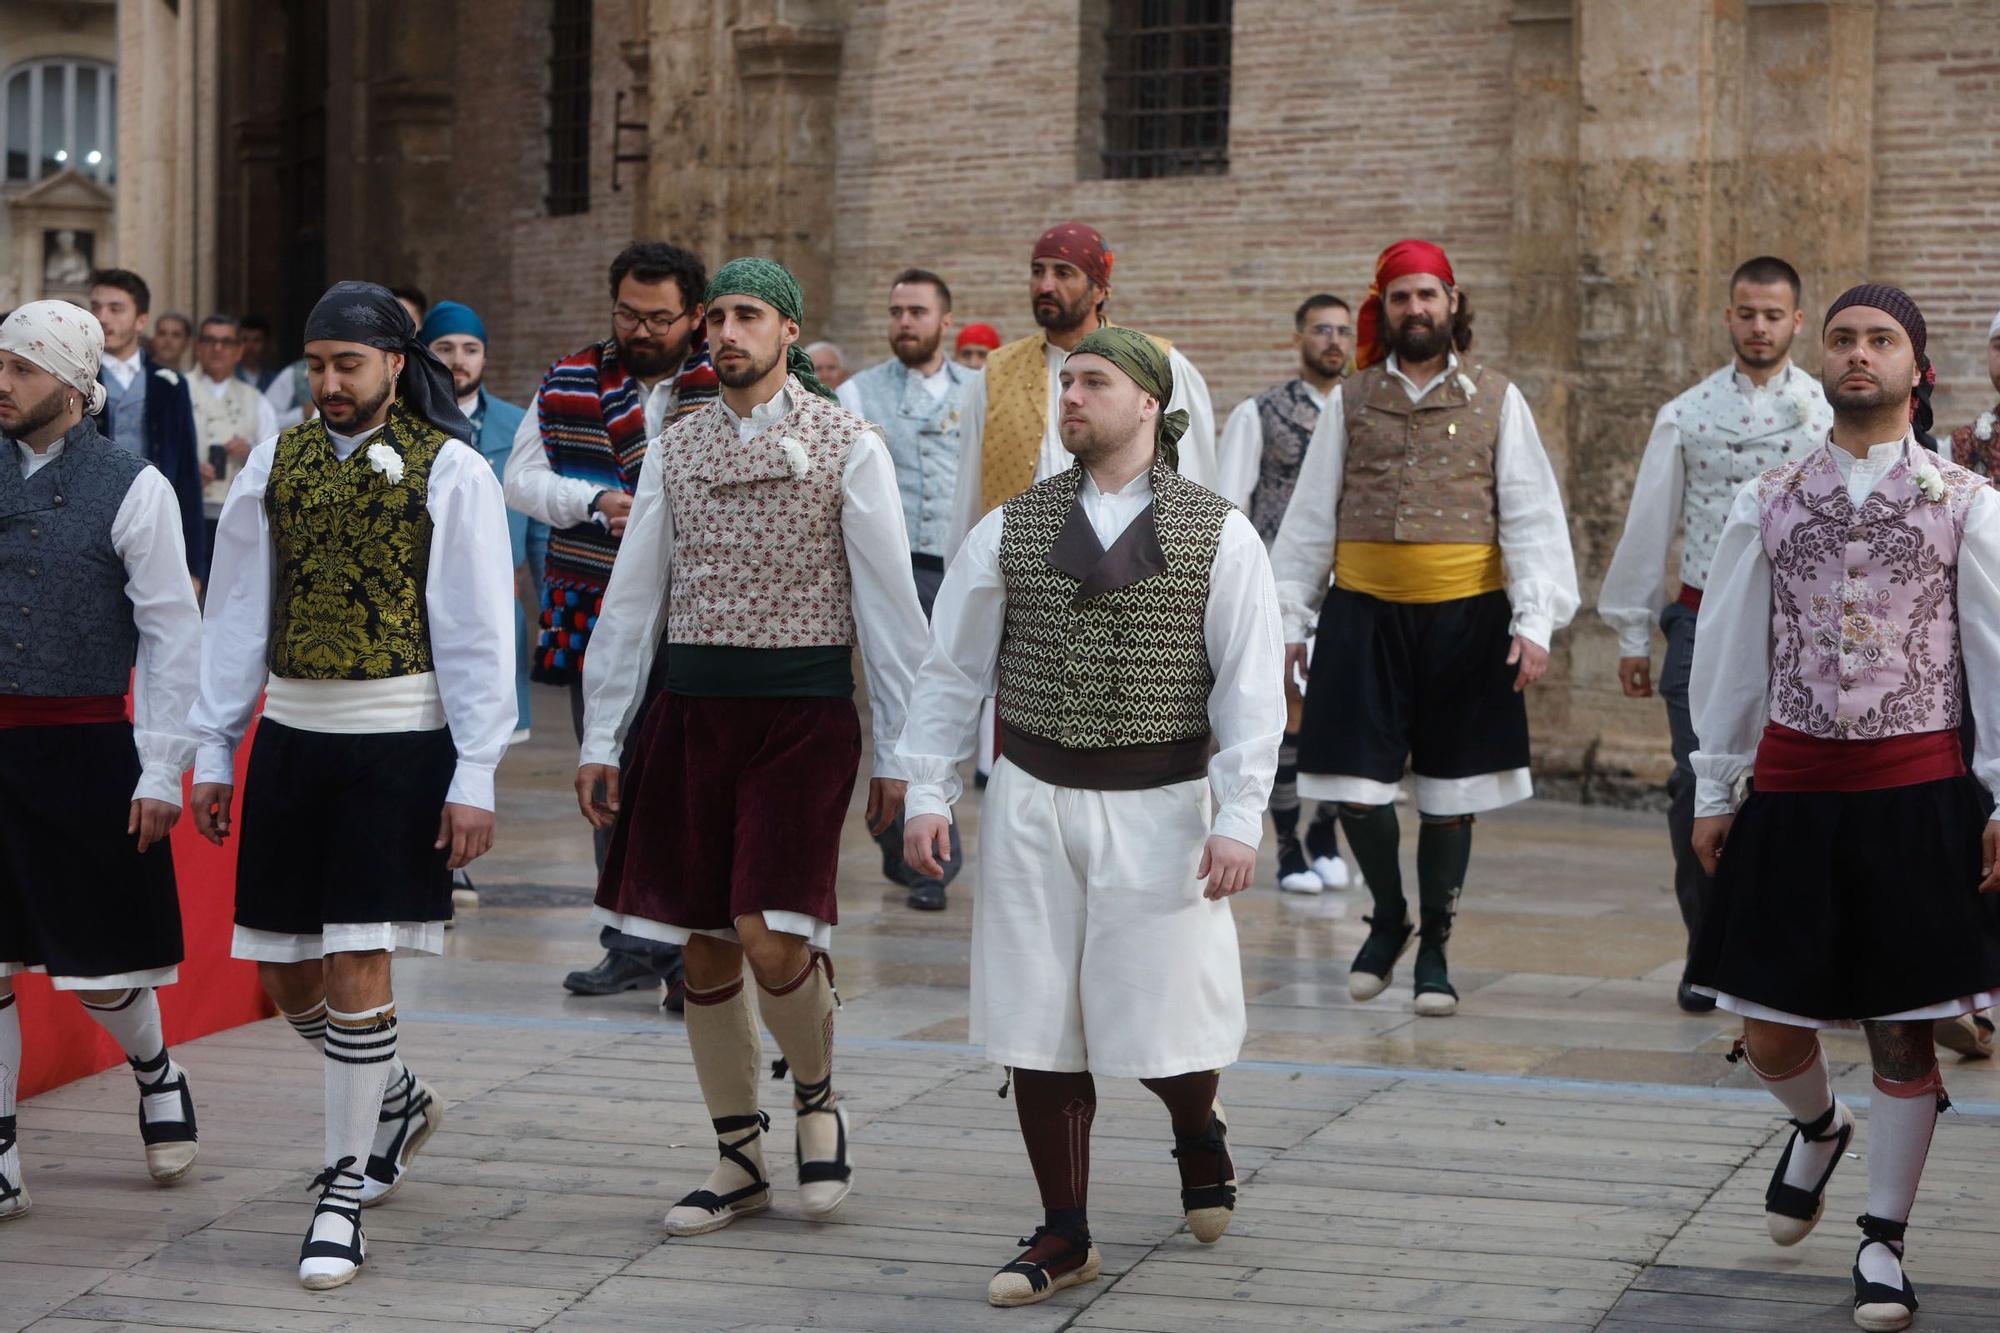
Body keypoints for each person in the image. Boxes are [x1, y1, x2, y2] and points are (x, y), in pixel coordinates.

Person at [900, 326, 1282, 1306]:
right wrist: (928, 789)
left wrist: (1237, 816)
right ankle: (1063, 1230)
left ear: (1147, 405)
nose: (1068, 395)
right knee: (1037, 1020)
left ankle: (1197, 1129)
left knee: (1162, 1016)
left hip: (1161, 806)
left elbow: (1248, 692)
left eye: (1092, 381)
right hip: (1030, 797)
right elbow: (950, 672)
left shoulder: (1216, 532)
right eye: (1063, 381)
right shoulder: (1009, 527)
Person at [578, 257, 929, 1238]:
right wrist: (604, 732)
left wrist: (904, 754)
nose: (727, 332)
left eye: (749, 316)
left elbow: (890, 610)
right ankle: (738, 1158)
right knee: (701, 946)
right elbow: (634, 599)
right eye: (718, 317)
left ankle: (816, 1096)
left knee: (770, 930)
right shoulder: (675, 446)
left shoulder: (846, 441)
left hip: (802, 712)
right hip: (690, 712)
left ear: (786, 330)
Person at [1685, 284, 2000, 1333]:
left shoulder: (1964, 501)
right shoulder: (1766, 496)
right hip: (1791, 787)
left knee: (1903, 1031)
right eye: (1843, 339)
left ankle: (1880, 1239)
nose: (1857, 353)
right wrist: (1714, 778)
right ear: (1823, 362)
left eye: (1879, 339)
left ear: (1916, 366)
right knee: (1765, 1026)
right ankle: (1816, 1126)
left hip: (1916, 795)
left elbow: (1992, 658)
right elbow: (1730, 646)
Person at [188, 281, 514, 1290]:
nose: (330, 383)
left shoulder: (450, 468)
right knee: (286, 973)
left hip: (398, 740)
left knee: (356, 960)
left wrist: (477, 772)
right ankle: (397, 1098)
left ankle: (340, 1188)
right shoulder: (273, 462)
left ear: (392, 365)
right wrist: (211, 745)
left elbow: (474, 627)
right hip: (290, 734)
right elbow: (240, 608)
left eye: (350, 365)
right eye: (318, 364)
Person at [1270, 239, 1578, 1017]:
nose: (1416, 309)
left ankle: (1434, 944)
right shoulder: (1349, 400)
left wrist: (1534, 619)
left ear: (1452, 302)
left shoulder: (1497, 398)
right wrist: (1288, 620)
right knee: (1350, 787)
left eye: (1428, 295)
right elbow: (1309, 519)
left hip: (1467, 619)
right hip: (1361, 614)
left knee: (1452, 793)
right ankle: (1390, 914)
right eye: (1402, 297)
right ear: (1387, 306)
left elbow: (1534, 517)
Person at [0, 301, 204, 1221]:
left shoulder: (135, 486)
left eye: (22, 369)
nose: (2, 385)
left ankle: (156, 1069)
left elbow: (171, 635)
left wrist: (161, 768)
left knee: (100, 965)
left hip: (85, 744)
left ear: (75, 388)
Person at [1598, 256, 1831, 1012]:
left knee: (1799, 788)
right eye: (1746, 313)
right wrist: (1635, 631)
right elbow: (1649, 523)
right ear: (1728, 317)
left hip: (1805, 626)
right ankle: (1708, 948)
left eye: (1773, 315)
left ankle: (1793, 947)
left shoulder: (1828, 413)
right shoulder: (1685, 412)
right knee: (1696, 782)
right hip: (1700, 620)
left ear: (1796, 321)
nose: (1758, 327)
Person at [504, 242, 716, 1002]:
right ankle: (628, 939)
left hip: (702, 608)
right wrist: (592, 502)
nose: (642, 330)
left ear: (696, 315)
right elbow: (520, 477)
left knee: (687, 783)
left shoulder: (726, 380)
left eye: (661, 318)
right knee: (610, 771)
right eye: (628, 313)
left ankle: (690, 953)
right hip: (595, 601)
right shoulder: (569, 378)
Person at [946, 221, 1217, 556]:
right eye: (1037, 272)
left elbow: (1192, 476)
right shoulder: (997, 372)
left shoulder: (1157, 362)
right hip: (1023, 571)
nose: (1045, 285)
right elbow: (970, 493)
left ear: (1100, 290)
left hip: (1136, 565)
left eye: (1063, 273)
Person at [836, 268, 978, 910]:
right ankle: (919, 853)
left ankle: (928, 848)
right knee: (906, 700)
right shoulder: (858, 393)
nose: (904, 323)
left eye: (917, 311)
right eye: (896, 311)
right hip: (892, 570)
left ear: (945, 321)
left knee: (956, 706)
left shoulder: (979, 392)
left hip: (964, 569)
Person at [1217, 292, 1358, 894]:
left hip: (1352, 583)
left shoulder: (1365, 409)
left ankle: (1326, 830)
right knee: (1288, 716)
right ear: (1298, 337)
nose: (1333, 341)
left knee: (1348, 717)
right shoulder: (1261, 412)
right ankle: (1289, 844)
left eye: (1343, 332)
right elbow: (1227, 503)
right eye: (1321, 330)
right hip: (1282, 585)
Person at [90, 269, 205, 579]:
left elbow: (185, 471)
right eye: (96, 307)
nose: (102, 318)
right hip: (89, 527)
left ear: (141, 321)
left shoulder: (170, 384)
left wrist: (193, 565)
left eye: (115, 309)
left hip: (152, 525)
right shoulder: (78, 379)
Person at [189, 314, 280, 579]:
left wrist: (250, 452)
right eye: (210, 341)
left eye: (226, 342)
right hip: (187, 510)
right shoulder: (178, 389)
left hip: (237, 514)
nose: (217, 349)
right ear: (198, 346)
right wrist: (187, 471)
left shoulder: (257, 401)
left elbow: (275, 462)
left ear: (239, 350)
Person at [237, 314, 279, 391]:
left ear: (267, 344)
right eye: (245, 340)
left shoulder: (276, 382)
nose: (250, 347)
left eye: (256, 340)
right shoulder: (228, 377)